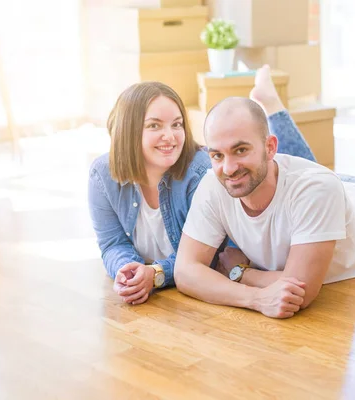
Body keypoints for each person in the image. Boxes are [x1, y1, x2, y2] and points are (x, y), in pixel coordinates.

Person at [174, 76, 355, 319]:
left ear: (270, 147)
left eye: (240, 150)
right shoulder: (213, 184)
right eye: (217, 155)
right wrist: (256, 299)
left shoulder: (316, 188)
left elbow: (300, 288)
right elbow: (185, 272)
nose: (228, 168)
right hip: (341, 194)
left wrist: (239, 272)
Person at [87, 66, 317, 305]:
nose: (171, 136)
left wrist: (156, 273)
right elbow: (112, 243)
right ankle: (270, 104)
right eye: (155, 126)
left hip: (315, 191)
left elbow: (215, 254)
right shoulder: (102, 174)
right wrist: (127, 270)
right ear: (128, 129)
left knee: (311, 175)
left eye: (176, 124)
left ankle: (272, 106)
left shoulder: (203, 175)